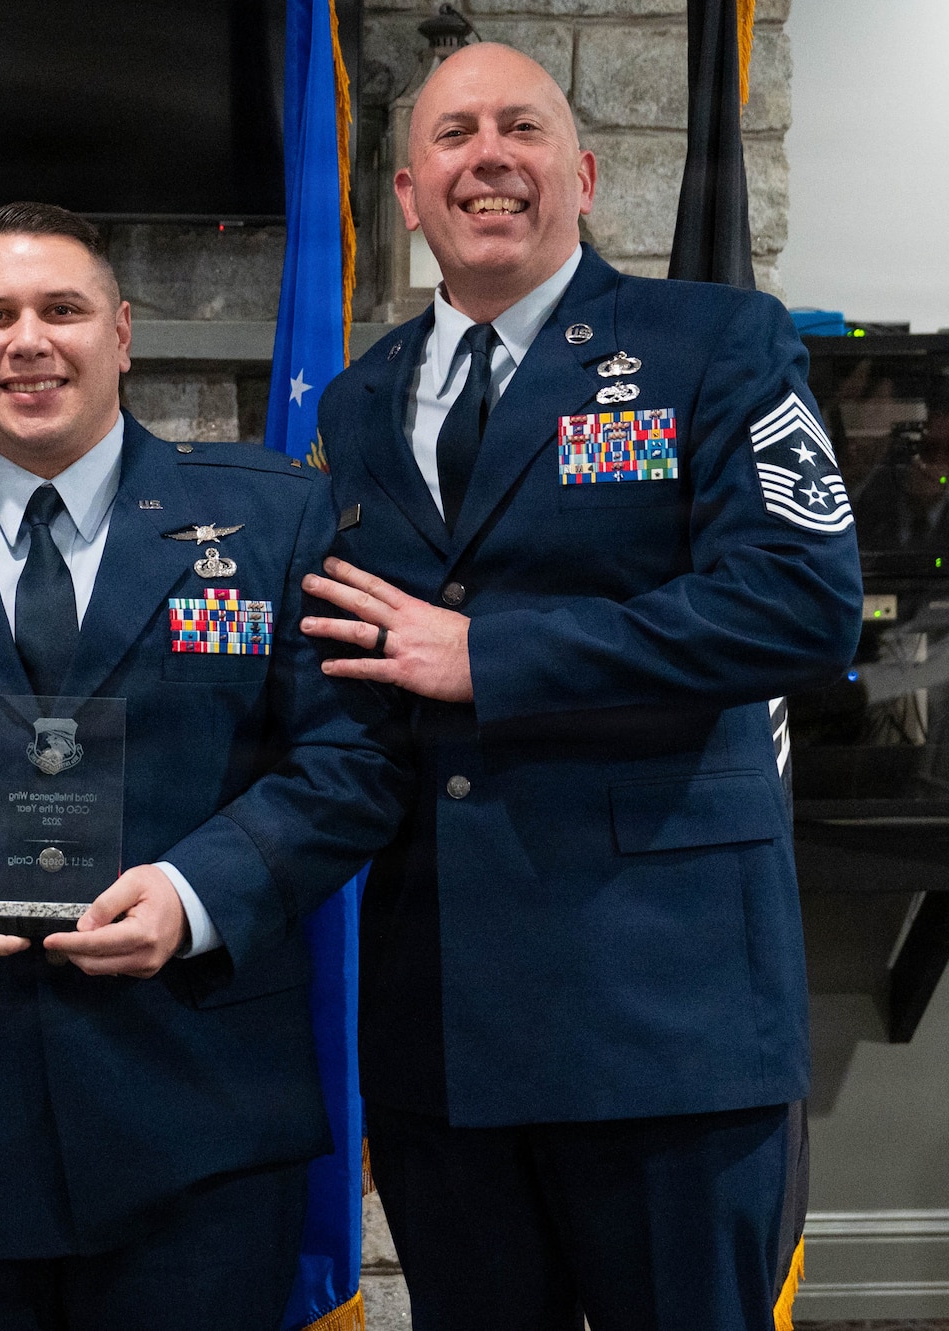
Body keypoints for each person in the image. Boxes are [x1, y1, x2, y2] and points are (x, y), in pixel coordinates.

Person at [0, 202, 407, 1331]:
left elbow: (350, 758)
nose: (28, 340)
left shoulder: (268, 516)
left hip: (201, 1117)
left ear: (120, 331)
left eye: (61, 309)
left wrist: (195, 893)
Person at [298, 44, 863, 1331]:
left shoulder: (710, 343)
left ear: (584, 173)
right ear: (404, 192)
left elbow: (800, 604)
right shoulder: (356, 402)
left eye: (520, 128)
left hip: (662, 1010)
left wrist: (484, 655)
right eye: (451, 135)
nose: (485, 156)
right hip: (442, 1021)